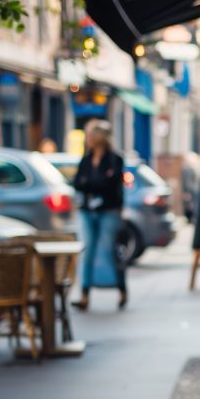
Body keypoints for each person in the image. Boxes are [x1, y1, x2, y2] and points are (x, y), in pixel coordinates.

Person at [72, 120, 127, 310]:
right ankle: (85, 293)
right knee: (87, 252)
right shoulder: (86, 159)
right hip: (88, 211)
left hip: (109, 211)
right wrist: (97, 183)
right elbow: (78, 183)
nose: (87, 139)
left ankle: (121, 289)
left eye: (89, 135)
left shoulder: (114, 159)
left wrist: (92, 184)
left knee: (110, 250)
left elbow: (112, 186)